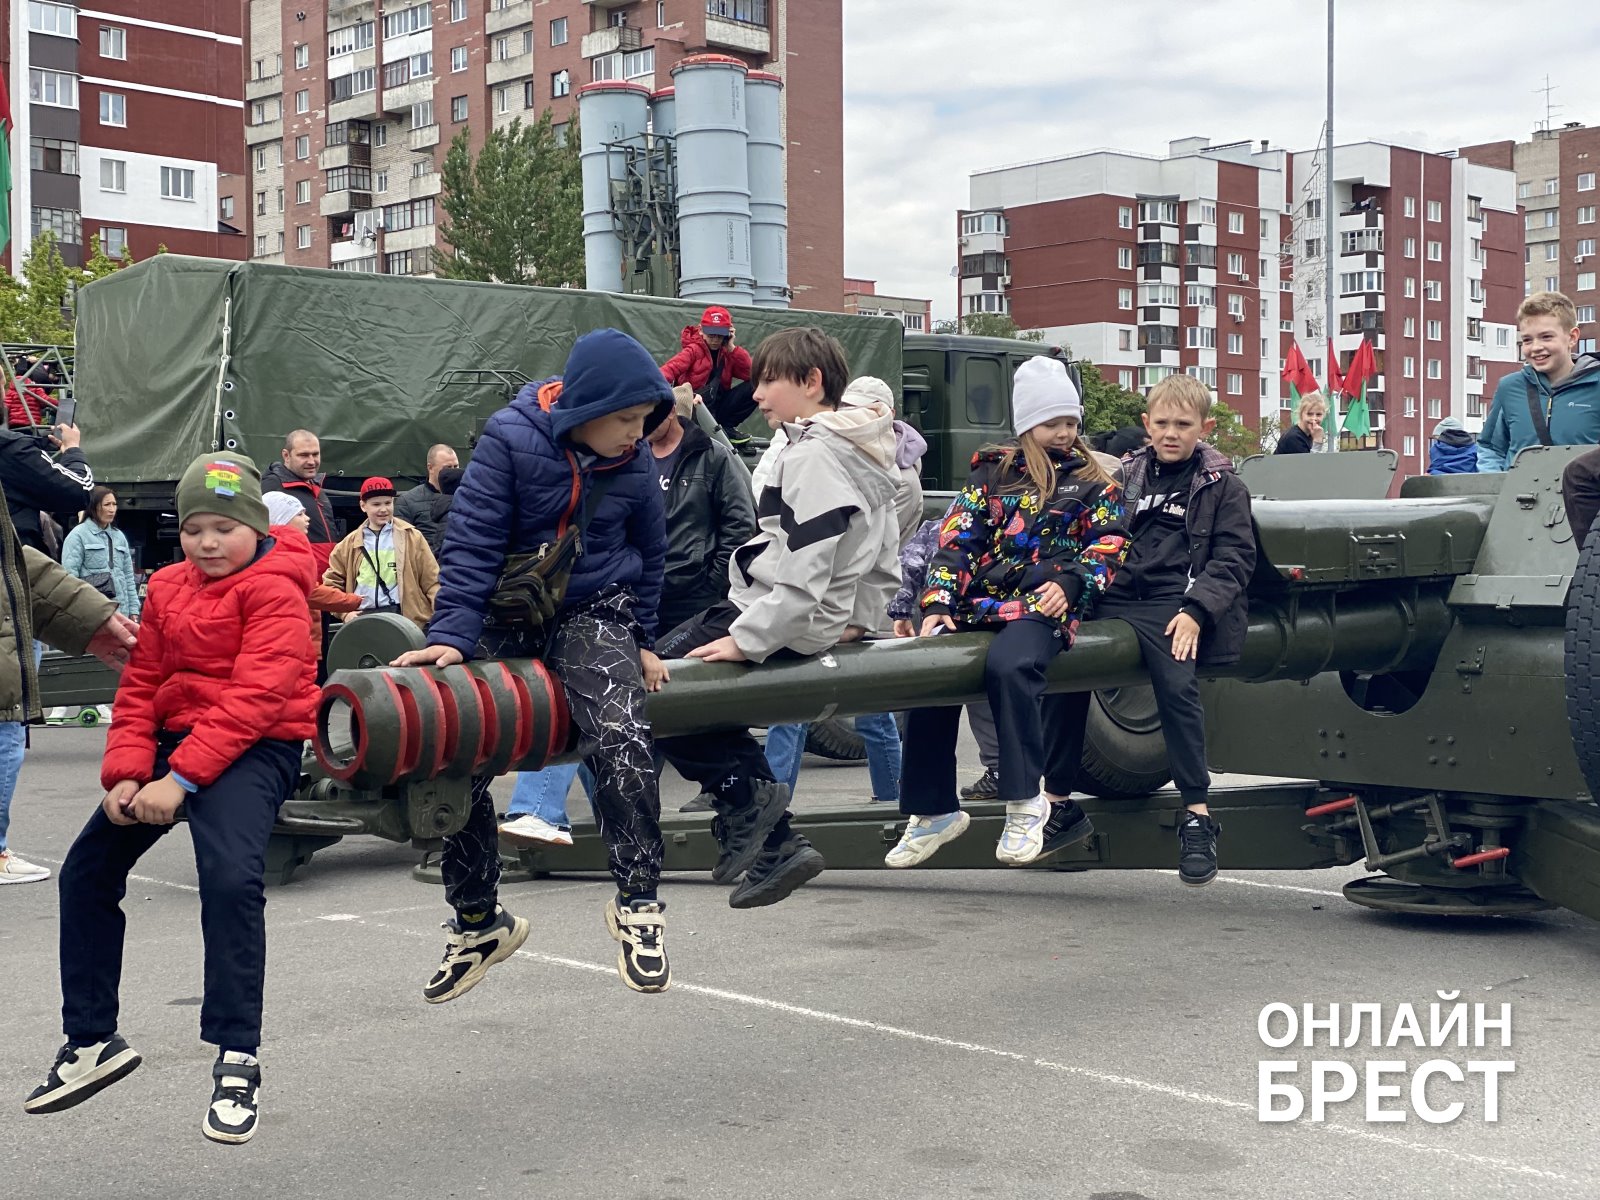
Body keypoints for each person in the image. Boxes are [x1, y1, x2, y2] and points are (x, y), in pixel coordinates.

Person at [25, 453, 318, 1145]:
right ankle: (92, 1039)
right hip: (172, 744)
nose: (208, 543)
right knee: (88, 872)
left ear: (254, 526)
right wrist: (126, 770)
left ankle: (237, 1056)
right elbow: (141, 682)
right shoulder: (168, 588)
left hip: (255, 744)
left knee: (231, 879)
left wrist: (178, 781)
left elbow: (254, 699)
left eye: (224, 527)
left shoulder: (277, 589)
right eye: (194, 530)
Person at [392, 329, 675, 996]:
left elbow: (652, 554)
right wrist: (455, 637)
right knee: (452, 749)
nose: (638, 436)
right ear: (587, 409)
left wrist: (644, 637)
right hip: (506, 610)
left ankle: (638, 902)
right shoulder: (510, 438)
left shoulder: (630, 462)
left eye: (645, 422)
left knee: (623, 731)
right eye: (628, 420)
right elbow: (473, 539)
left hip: (591, 609)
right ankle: (478, 921)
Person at [653, 328, 900, 909]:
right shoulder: (862, 447)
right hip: (796, 616)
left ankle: (756, 817)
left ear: (812, 382)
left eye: (769, 380)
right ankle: (773, 839)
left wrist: (749, 638)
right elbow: (883, 549)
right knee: (687, 699)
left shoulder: (814, 451)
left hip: (766, 612)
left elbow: (806, 565)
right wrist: (860, 619)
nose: (756, 394)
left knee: (655, 686)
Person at [883, 356, 1127, 869]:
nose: (1064, 433)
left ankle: (1024, 801)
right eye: (1052, 423)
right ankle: (932, 810)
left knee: (1011, 667)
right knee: (929, 668)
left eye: (1070, 422)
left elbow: (1109, 542)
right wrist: (936, 604)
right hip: (980, 603)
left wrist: (1073, 580)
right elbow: (955, 542)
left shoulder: (1094, 481)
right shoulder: (991, 474)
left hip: (1044, 604)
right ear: (1026, 427)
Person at [498, 381, 757, 843]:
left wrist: (705, 582)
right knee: (614, 714)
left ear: (670, 416)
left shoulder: (712, 458)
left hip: (687, 602)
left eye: (646, 421)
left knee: (646, 713)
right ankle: (614, 827)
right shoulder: (620, 458)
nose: (637, 432)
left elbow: (739, 529)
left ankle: (625, 825)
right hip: (631, 602)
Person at [1093, 374, 1255, 885]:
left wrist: (1196, 610)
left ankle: (1197, 815)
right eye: (1161, 423)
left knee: (1178, 689)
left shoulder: (1222, 485)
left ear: (1204, 428)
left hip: (1172, 603)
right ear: (1146, 425)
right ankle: (1054, 801)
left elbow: (1234, 557)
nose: (1170, 433)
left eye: (1183, 425)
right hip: (1113, 595)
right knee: (1060, 675)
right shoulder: (1122, 478)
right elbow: (1095, 533)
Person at [758, 379, 920, 808]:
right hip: (837, 607)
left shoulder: (897, 480)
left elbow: (876, 557)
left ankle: (772, 807)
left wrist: (855, 621)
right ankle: (893, 797)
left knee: (803, 709)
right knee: (853, 710)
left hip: (851, 609)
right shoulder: (849, 460)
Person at [0, 481, 137, 886]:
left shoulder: (117, 538)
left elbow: (11, 567)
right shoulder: (79, 535)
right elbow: (69, 482)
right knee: (7, 737)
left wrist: (91, 615)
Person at [1478, 291, 1600, 471]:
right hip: (1519, 497)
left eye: (1546, 337)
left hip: (1582, 497)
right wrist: (1498, 487)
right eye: (1527, 340)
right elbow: (1491, 448)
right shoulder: (1509, 388)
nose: (1535, 347)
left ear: (1572, 337)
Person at [322, 477, 439, 628]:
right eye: (376, 504)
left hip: (403, 618)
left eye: (388, 503)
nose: (383, 509)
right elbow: (331, 584)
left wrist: (440, 614)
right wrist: (345, 614)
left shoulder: (412, 537)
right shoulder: (348, 545)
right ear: (363, 506)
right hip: (362, 618)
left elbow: (432, 581)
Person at [264, 492, 363, 653]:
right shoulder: (283, 552)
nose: (307, 518)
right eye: (300, 514)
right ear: (282, 519)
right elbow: (311, 591)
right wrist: (352, 601)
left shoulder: (276, 548)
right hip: (292, 642)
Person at [1, 418, 95, 555]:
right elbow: (80, 490)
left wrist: (41, 444)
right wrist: (72, 449)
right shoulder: (11, 448)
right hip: (11, 562)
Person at [661, 305, 757, 438]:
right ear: (701, 331)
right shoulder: (692, 351)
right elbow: (667, 371)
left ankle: (726, 428)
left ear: (729, 333)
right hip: (695, 408)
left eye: (720, 336)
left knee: (756, 384)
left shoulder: (727, 352)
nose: (715, 340)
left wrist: (731, 347)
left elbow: (751, 373)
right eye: (711, 335)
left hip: (719, 408)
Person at [261, 430, 340, 571]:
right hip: (298, 577)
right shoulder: (273, 486)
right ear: (286, 455)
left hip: (324, 580)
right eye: (303, 455)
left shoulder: (317, 488)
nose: (311, 461)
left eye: (315, 454)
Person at [61, 486, 141, 620]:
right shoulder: (78, 535)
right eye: (107, 504)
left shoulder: (119, 536)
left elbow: (128, 576)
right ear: (93, 507)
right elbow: (69, 577)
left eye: (114, 504)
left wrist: (133, 609)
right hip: (92, 612)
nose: (112, 509)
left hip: (121, 611)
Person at [394, 444, 460, 552]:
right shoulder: (407, 502)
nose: (453, 472)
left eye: (455, 466)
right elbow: (402, 545)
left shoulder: (467, 498)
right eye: (447, 468)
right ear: (430, 467)